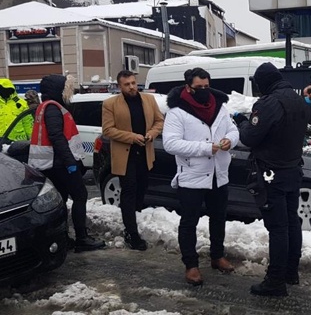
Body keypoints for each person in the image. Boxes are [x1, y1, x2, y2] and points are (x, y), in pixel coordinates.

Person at [233, 62, 309, 297]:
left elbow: (250, 137)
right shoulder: (298, 99)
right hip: (292, 170)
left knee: (278, 227)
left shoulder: (268, 104)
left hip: (271, 173)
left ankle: (275, 281)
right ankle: (290, 271)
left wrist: (241, 120)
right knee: (291, 222)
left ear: (263, 83)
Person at [163, 67, 239, 286]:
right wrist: (206, 148)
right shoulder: (177, 112)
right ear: (189, 87)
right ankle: (191, 265)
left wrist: (229, 141)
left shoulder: (220, 106)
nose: (205, 91)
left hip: (218, 173)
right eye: (199, 88)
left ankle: (217, 256)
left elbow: (233, 130)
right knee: (189, 221)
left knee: (219, 217)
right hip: (192, 175)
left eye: (207, 86)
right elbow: (171, 143)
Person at [28, 74, 105, 252]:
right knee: (80, 195)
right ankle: (81, 238)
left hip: (51, 164)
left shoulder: (45, 106)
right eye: (65, 88)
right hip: (59, 163)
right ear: (58, 90)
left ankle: (62, 237)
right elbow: (57, 137)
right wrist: (70, 162)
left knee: (61, 200)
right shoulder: (53, 108)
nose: (68, 91)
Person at [102, 70, 164, 251]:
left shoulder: (149, 100)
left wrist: (152, 134)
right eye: (127, 84)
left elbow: (159, 121)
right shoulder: (110, 104)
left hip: (144, 153)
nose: (131, 87)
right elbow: (108, 130)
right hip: (125, 154)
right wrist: (131, 137)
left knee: (142, 188)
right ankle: (131, 233)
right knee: (128, 191)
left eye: (133, 83)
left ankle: (134, 218)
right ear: (119, 86)